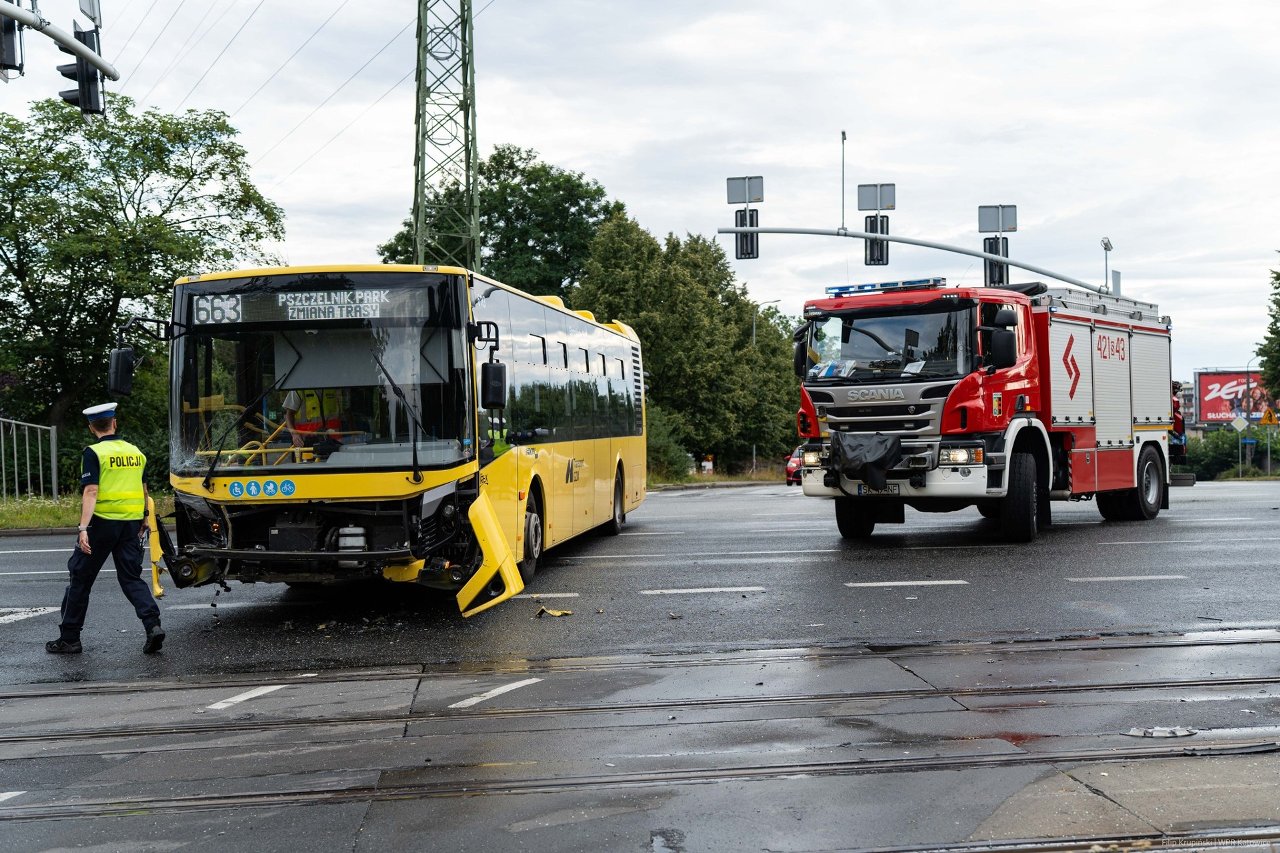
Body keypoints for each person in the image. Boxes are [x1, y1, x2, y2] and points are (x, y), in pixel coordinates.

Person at [46, 403, 164, 655]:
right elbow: (144, 489)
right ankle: (153, 625)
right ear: (115, 423)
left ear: (91, 428)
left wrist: (83, 528)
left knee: (80, 578)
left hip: (101, 522)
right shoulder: (136, 452)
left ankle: (69, 639)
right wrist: (144, 516)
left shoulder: (94, 452)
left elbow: (91, 491)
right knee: (131, 577)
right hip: (131, 523)